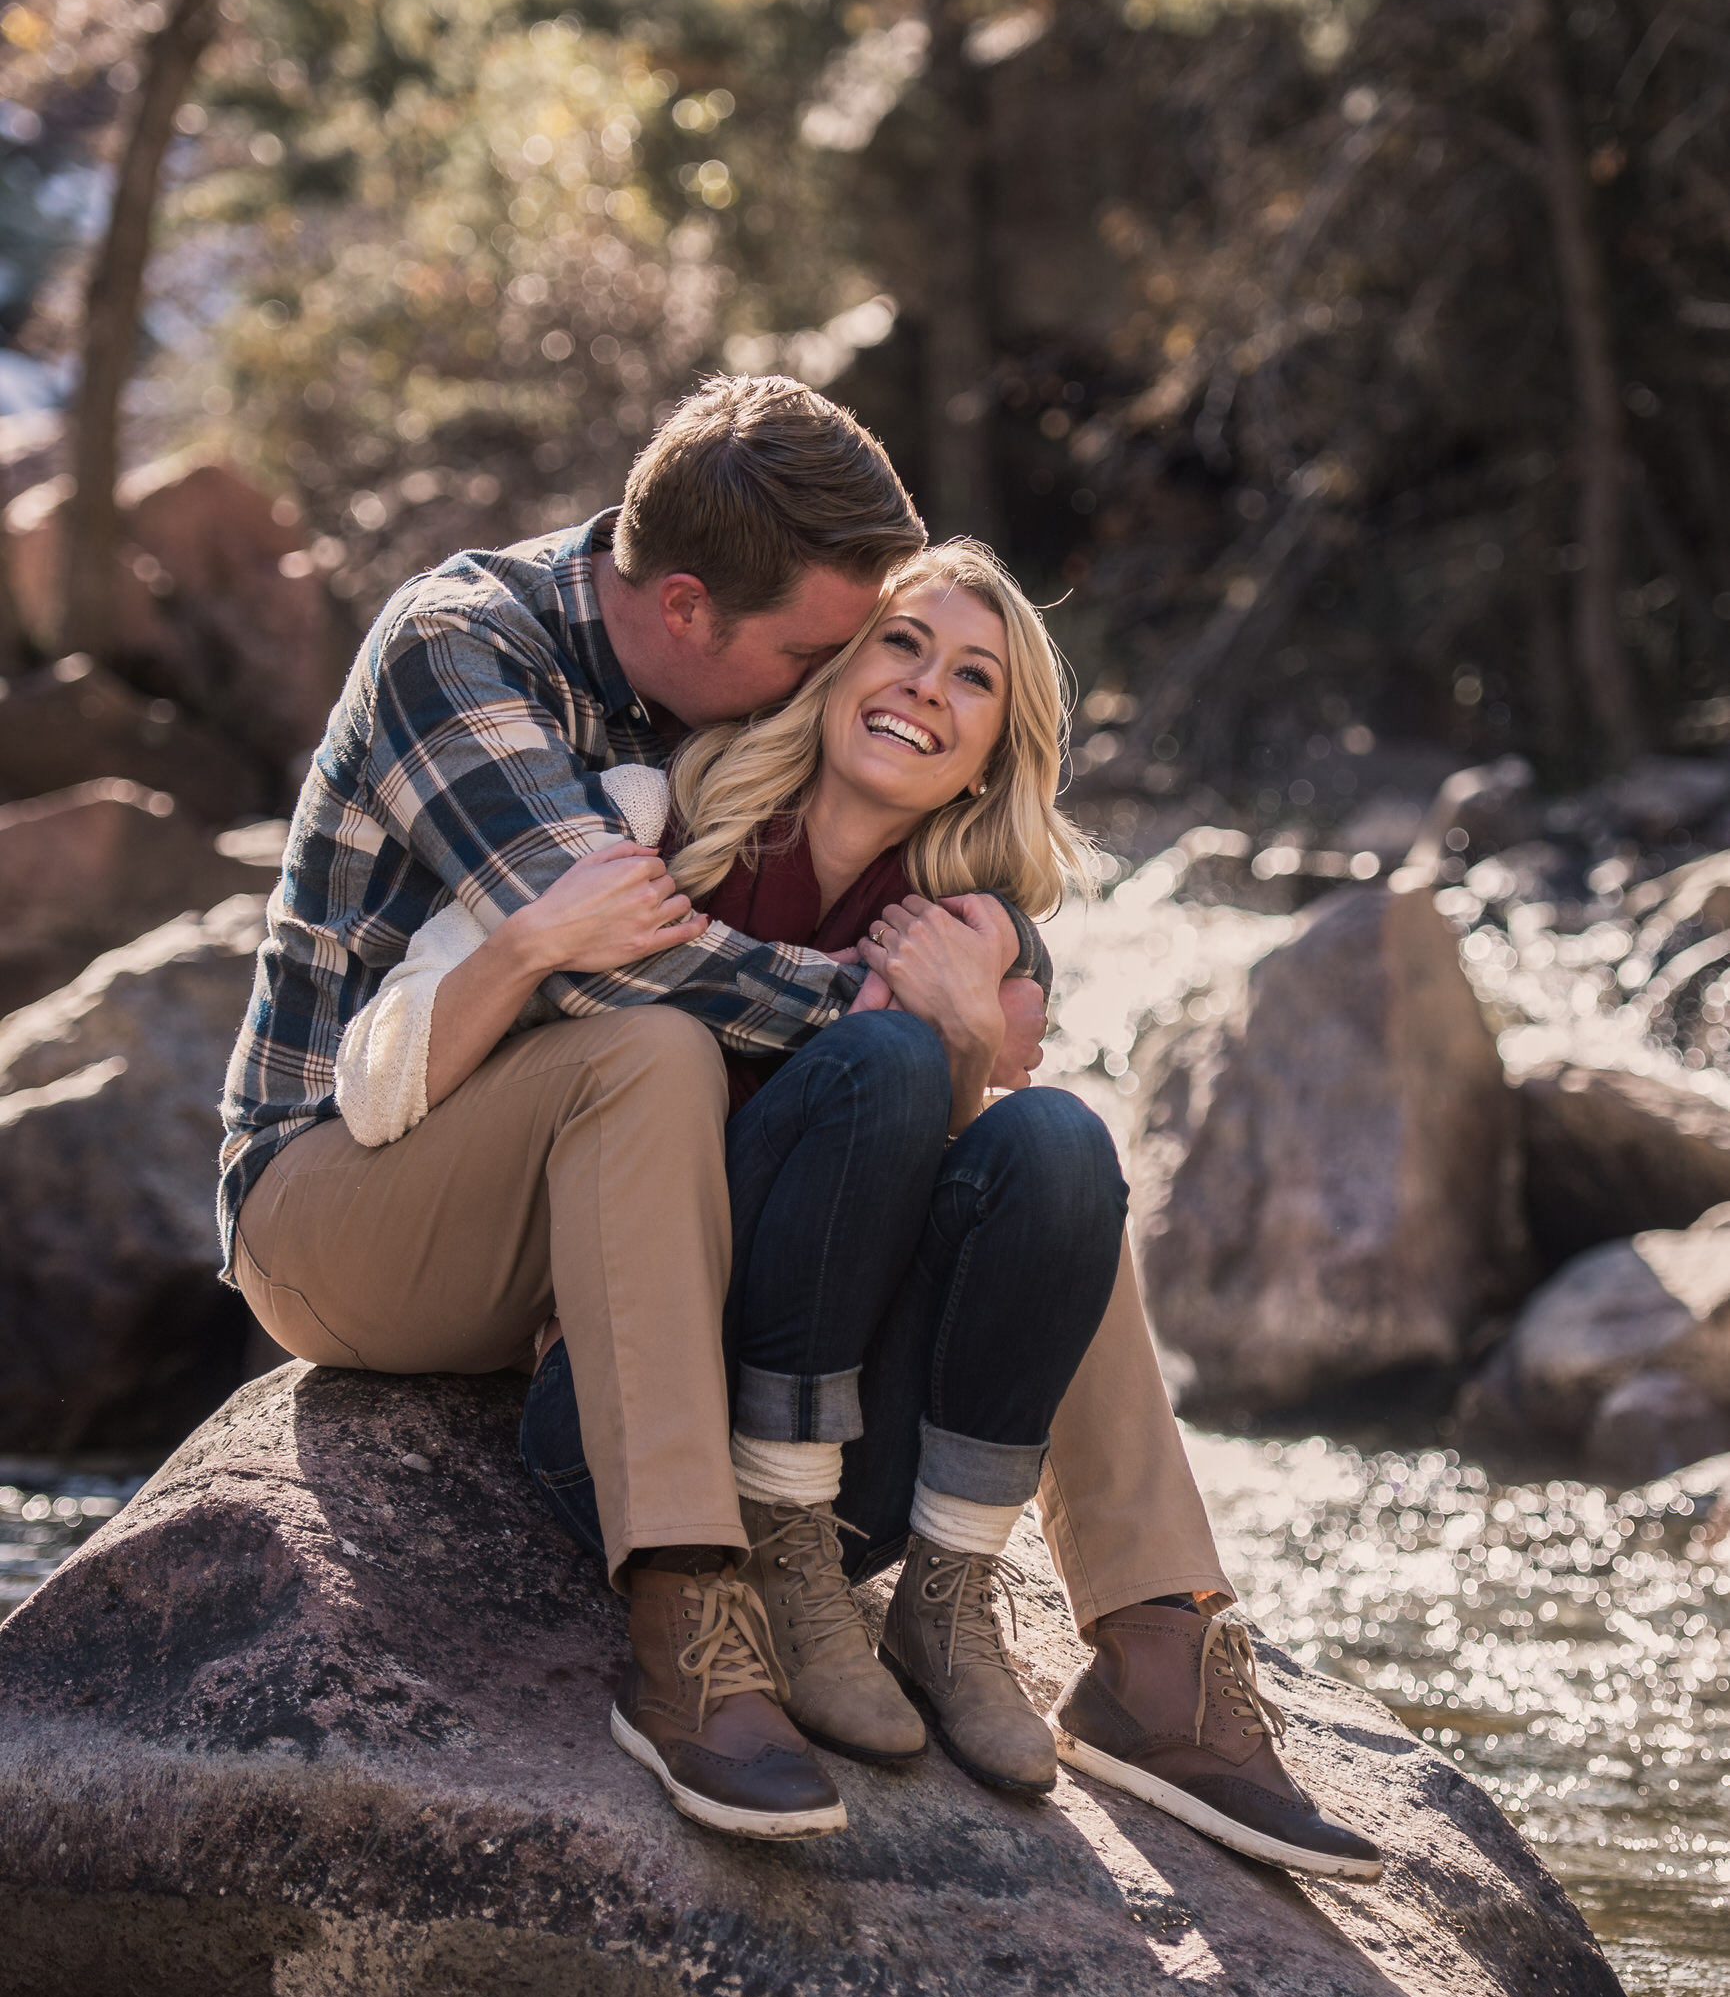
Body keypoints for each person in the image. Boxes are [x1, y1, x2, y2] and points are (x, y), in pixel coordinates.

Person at [221, 373, 1381, 1878]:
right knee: (664, 1045)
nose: (857, 680)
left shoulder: (775, 750)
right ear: (691, 610)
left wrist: (979, 1025)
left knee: (1046, 1141)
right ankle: (692, 1612)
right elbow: (626, 963)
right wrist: (909, 1020)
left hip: (630, 1235)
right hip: (346, 1187)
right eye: (828, 652)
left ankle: (1155, 1647)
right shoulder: (476, 655)